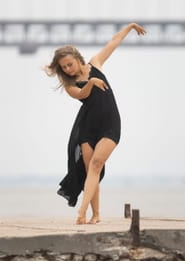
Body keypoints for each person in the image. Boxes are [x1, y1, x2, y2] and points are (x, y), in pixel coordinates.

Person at [45, 22, 146, 224]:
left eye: (69, 64)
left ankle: (81, 212)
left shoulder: (96, 63)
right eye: (63, 67)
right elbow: (82, 93)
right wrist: (91, 83)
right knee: (93, 167)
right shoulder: (70, 85)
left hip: (110, 124)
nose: (67, 69)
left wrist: (130, 27)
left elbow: (113, 42)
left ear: (77, 58)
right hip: (87, 127)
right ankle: (95, 214)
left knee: (97, 163)